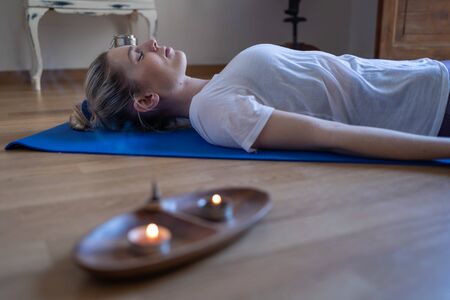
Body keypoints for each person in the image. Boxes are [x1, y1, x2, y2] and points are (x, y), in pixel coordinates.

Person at [70, 39, 450, 160]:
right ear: (147, 100)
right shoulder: (214, 111)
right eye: (139, 56)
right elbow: (330, 134)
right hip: (433, 108)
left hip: (430, 74)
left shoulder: (214, 87)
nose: (151, 43)